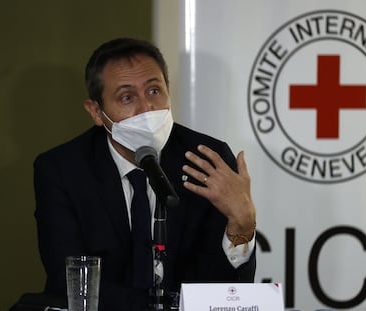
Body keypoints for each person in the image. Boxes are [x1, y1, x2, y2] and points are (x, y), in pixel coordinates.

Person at [34, 38, 256, 311]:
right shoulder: (62, 170)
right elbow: (70, 282)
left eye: (154, 91)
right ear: (96, 112)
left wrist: (242, 226)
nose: (146, 108)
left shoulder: (206, 160)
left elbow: (223, 291)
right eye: (127, 97)